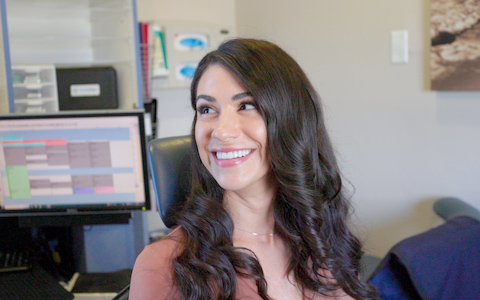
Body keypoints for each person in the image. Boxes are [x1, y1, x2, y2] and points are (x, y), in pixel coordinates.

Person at [130, 38, 378, 300]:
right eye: (207, 109)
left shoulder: (323, 240)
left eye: (246, 105)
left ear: (291, 119)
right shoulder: (163, 266)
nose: (222, 131)